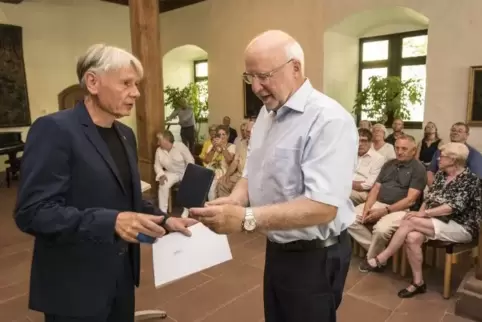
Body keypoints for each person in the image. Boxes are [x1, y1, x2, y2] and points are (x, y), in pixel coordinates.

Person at [14, 44, 196, 322]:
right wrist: (110, 222)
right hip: (75, 285)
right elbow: (33, 212)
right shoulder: (54, 130)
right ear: (93, 82)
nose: (135, 92)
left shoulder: (125, 134)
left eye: (136, 84)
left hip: (120, 275)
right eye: (126, 83)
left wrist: (165, 221)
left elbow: (127, 199)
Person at [190, 30, 357, 322]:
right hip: (279, 246)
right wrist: (236, 199)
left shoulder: (329, 120)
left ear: (296, 67)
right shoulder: (268, 113)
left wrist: (245, 219)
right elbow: (254, 168)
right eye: (249, 77)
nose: (255, 87)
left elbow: (323, 207)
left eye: (263, 75)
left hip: (315, 256)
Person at [362, 143, 482, 298]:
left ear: (454, 159)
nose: (438, 158)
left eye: (442, 155)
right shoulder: (441, 175)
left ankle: (382, 258)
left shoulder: (470, 180)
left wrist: (422, 215)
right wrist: (419, 214)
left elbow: (451, 207)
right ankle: (418, 283)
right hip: (437, 220)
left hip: (462, 225)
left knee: (409, 221)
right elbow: (430, 198)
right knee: (412, 236)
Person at [348, 135, 427, 272]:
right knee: (348, 218)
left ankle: (372, 259)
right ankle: (381, 255)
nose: (399, 151)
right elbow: (375, 188)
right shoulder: (389, 164)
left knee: (381, 229)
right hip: (380, 203)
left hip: (404, 209)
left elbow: (410, 200)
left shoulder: (418, 169)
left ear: (413, 151)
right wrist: (367, 208)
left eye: (404, 149)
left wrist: (384, 211)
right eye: (397, 148)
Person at [154, 130, 194, 213]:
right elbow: (157, 165)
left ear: (166, 140)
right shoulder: (158, 150)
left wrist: (189, 175)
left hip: (184, 172)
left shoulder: (180, 146)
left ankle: (186, 210)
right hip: (170, 172)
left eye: (159, 140)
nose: (157, 143)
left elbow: (190, 161)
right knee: (163, 183)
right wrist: (161, 174)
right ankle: (162, 212)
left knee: (189, 183)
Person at [351, 128, 385, 206]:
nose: (360, 144)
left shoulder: (378, 158)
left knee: (340, 193)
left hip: (363, 193)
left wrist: (345, 183)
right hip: (347, 188)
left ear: (370, 142)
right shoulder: (350, 155)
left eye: (364, 141)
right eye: (357, 141)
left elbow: (369, 184)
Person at [204, 125, 236, 200]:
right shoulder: (212, 146)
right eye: (219, 134)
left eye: (223, 134)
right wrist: (214, 148)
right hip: (210, 170)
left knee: (212, 184)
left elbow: (229, 160)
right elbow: (207, 160)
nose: (221, 136)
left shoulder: (232, 146)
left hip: (222, 172)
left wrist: (222, 146)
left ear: (228, 136)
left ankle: (212, 206)